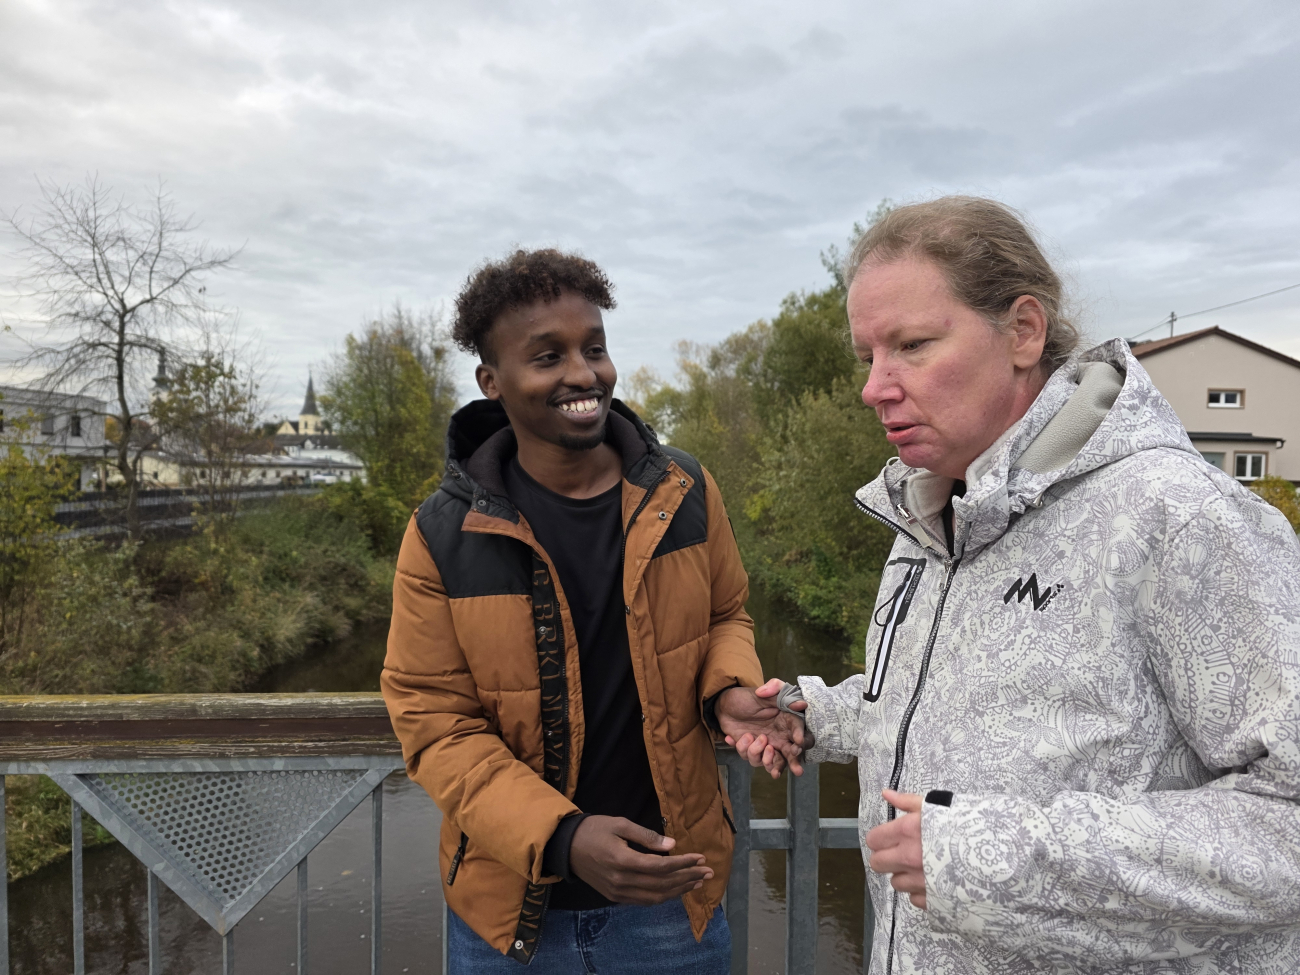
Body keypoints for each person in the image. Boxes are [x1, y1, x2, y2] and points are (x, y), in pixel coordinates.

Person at [729, 197, 1300, 975]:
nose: (875, 387)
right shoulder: (931, 517)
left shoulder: (1177, 517)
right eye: (869, 355)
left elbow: (1287, 819)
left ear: (1024, 331)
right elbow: (974, 706)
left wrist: (985, 857)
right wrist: (813, 714)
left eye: (913, 345)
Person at [381, 248, 793, 973]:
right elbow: (434, 723)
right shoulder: (442, 534)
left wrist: (727, 688)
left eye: (594, 348)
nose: (583, 373)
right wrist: (565, 837)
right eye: (548, 356)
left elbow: (728, 612)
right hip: (508, 920)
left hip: (672, 902)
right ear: (491, 381)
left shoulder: (685, 490)